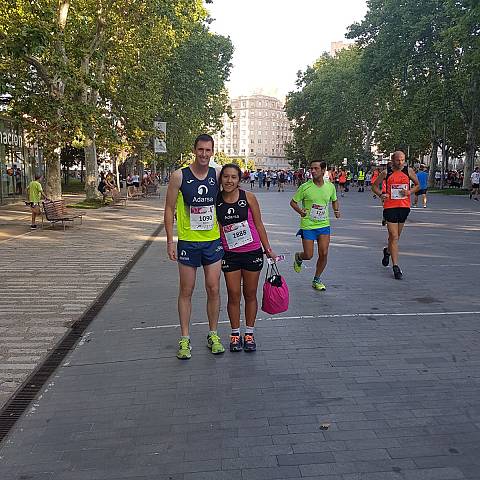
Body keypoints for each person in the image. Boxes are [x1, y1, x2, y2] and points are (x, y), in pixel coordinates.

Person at [164, 134, 225, 360]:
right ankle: (185, 338)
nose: (204, 154)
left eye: (208, 150)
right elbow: (169, 209)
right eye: (200, 150)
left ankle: (213, 334)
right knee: (186, 290)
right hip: (188, 242)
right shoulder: (179, 176)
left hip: (212, 241)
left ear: (212, 151)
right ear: (194, 150)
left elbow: (228, 198)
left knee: (214, 288)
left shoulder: (217, 175)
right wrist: (170, 240)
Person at [216, 164, 277, 352]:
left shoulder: (248, 197)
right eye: (226, 176)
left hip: (251, 252)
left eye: (233, 177)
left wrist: (268, 249)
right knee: (233, 295)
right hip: (229, 254)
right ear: (221, 179)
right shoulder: (215, 199)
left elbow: (259, 225)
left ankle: (249, 333)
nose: (229, 180)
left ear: (239, 180)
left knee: (250, 294)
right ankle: (235, 334)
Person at [290, 160, 340, 291]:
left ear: (323, 170)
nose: (312, 171)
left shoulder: (330, 187)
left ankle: (316, 279)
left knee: (323, 253)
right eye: (311, 168)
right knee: (309, 255)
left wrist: (336, 211)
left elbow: (334, 200)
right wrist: (300, 211)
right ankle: (299, 257)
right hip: (308, 225)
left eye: (316, 168)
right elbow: (293, 202)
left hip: (324, 224)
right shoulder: (305, 187)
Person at [372, 151, 419, 280]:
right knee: (393, 236)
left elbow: (417, 185)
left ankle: (387, 251)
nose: (400, 162)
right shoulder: (386, 172)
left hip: (404, 207)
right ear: (393, 160)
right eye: (398, 160)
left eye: (403, 160)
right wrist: (381, 195)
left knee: (396, 237)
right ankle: (396, 266)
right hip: (390, 206)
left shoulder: (408, 171)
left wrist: (409, 192)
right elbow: (374, 186)